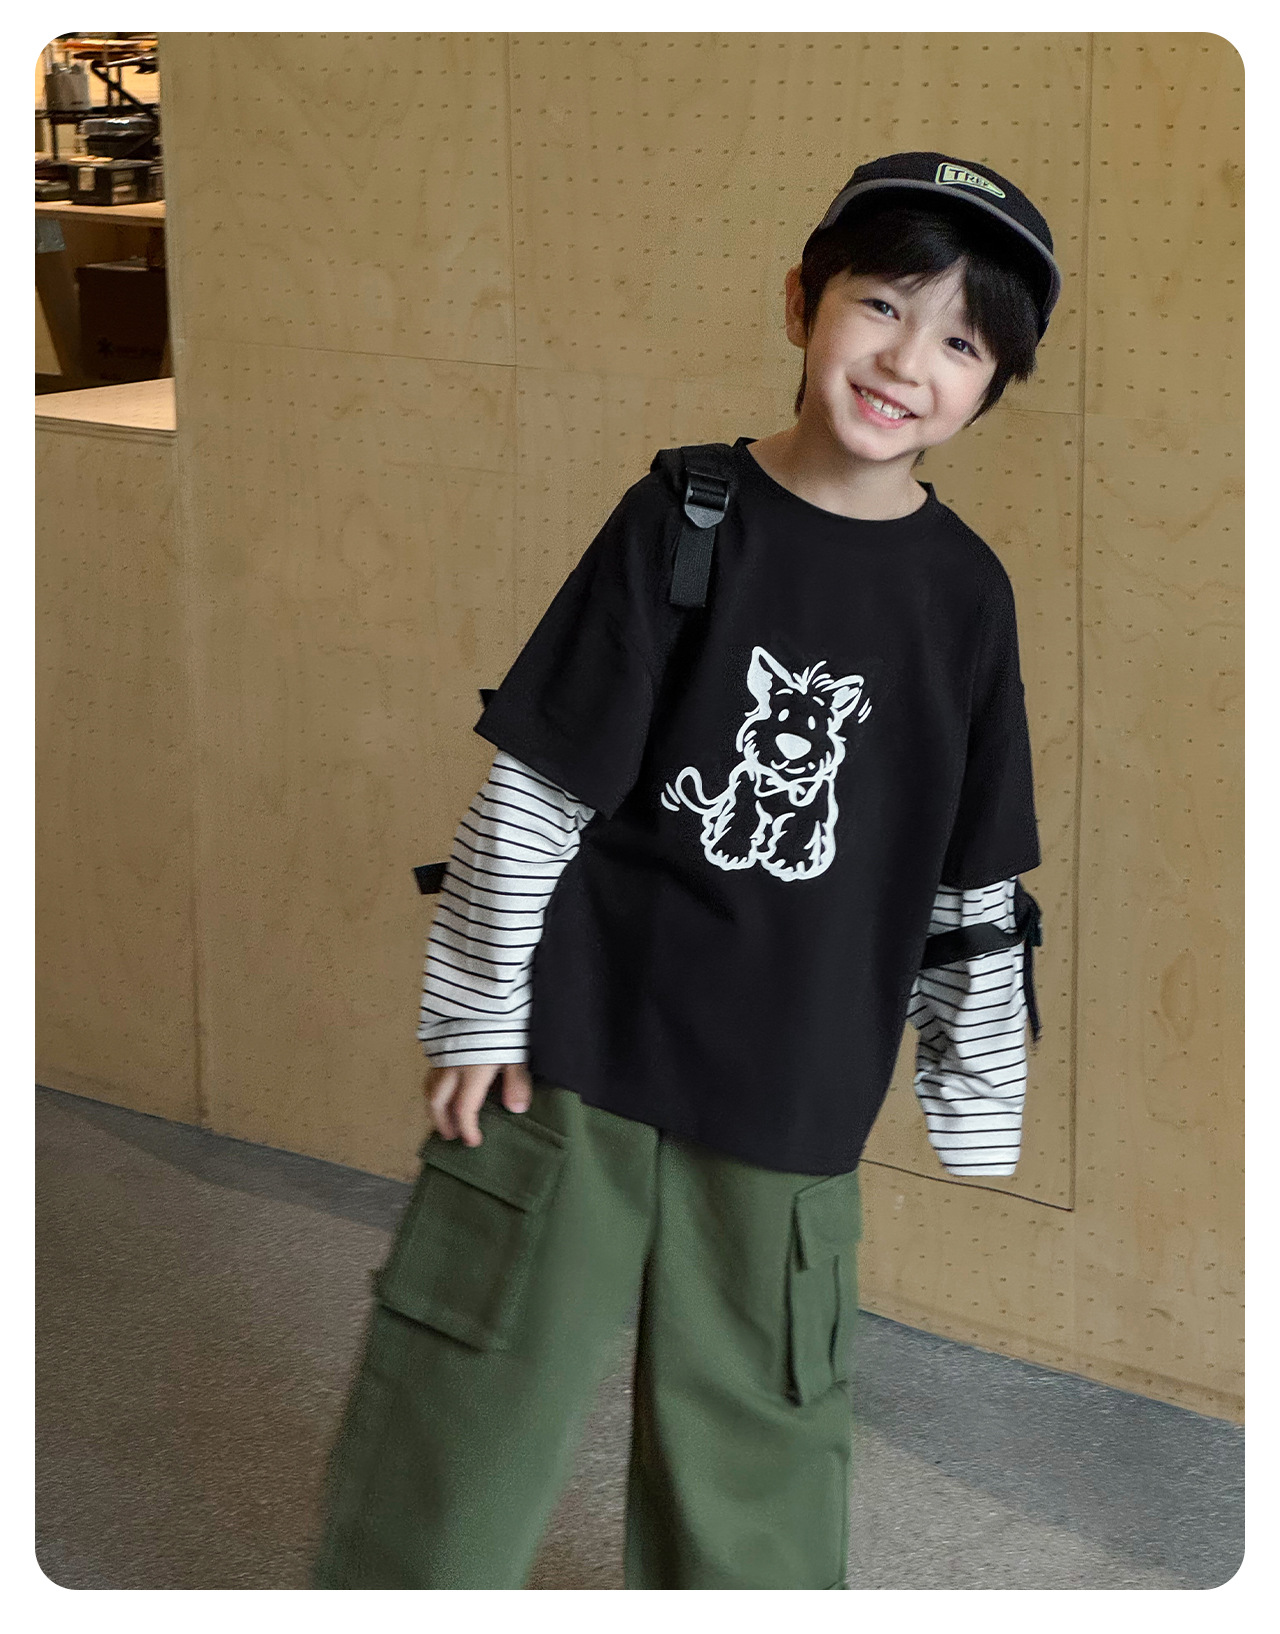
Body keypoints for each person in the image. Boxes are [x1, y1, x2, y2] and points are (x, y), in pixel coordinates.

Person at [312, 150, 1059, 1591]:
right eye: (882, 303)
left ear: (989, 389)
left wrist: (977, 1090)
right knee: (463, 1396)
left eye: (962, 342)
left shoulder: (966, 597)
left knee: (756, 1451)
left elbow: (974, 873)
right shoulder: (686, 514)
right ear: (801, 302)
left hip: (793, 1082)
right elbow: (539, 786)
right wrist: (477, 1009)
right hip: (576, 1051)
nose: (906, 360)